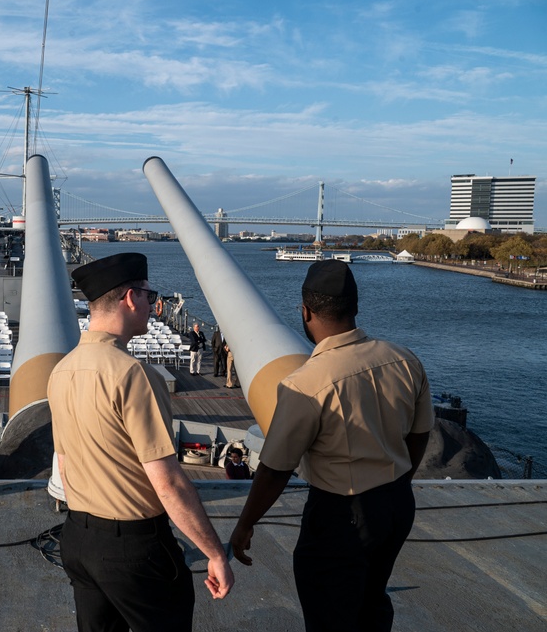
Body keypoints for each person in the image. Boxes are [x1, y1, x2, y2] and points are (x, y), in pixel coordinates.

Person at [230, 259, 433, 632]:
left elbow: (276, 468)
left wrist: (246, 524)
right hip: (397, 506)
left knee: (329, 611)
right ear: (354, 307)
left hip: (342, 517)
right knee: (372, 598)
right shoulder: (405, 360)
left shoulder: (305, 384)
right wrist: (399, 480)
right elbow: (420, 435)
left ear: (305, 312)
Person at [48, 252, 233, 631]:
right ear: (131, 298)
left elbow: (64, 465)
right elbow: (166, 481)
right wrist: (214, 553)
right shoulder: (134, 375)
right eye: (151, 296)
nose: (153, 305)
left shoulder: (60, 371)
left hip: (78, 540)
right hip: (134, 548)